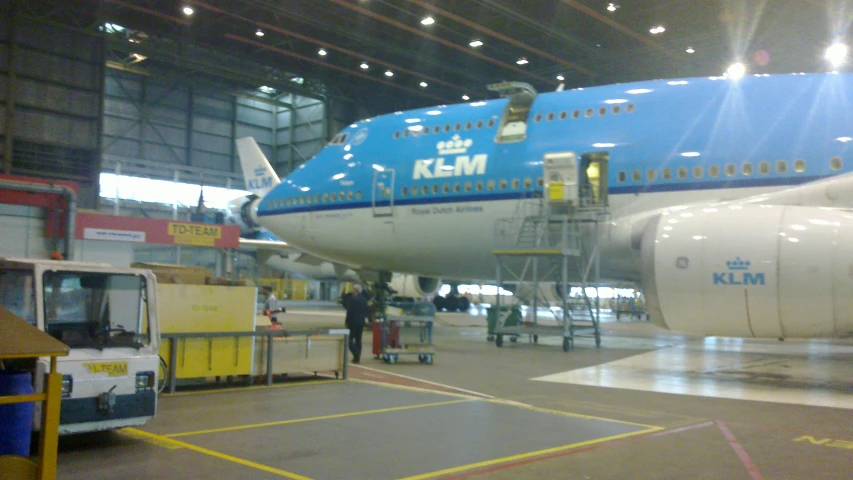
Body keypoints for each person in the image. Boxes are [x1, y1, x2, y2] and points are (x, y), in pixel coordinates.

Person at [344, 284, 369, 364]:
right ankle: (357, 357)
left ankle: (355, 353)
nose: (351, 290)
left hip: (353, 322)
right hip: (361, 322)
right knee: (358, 340)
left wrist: (347, 321)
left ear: (356, 290)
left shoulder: (353, 299)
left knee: (349, 339)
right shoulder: (364, 299)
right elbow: (366, 310)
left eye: (353, 289)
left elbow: (350, 311)